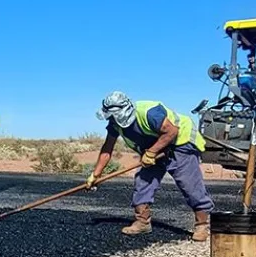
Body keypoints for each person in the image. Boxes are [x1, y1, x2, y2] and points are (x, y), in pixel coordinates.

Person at [85, 91, 214, 241]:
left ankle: (202, 224)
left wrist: (151, 152)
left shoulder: (149, 113)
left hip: (181, 142)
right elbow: (107, 148)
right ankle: (142, 222)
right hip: (155, 146)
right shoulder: (115, 124)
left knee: (189, 183)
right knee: (143, 180)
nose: (112, 119)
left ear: (124, 111)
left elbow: (172, 131)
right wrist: (95, 174)